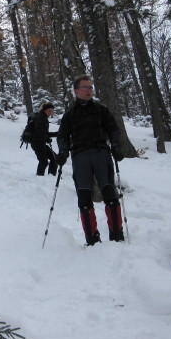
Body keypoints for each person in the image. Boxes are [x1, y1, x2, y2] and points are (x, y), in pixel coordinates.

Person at [55, 74, 125, 245]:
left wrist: (116, 146)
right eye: (85, 88)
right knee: (84, 196)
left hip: (101, 153)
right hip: (80, 156)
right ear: (76, 91)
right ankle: (92, 239)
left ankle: (117, 236)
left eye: (91, 87)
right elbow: (62, 136)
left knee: (110, 193)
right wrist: (63, 152)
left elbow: (114, 130)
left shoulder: (101, 110)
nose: (89, 91)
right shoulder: (70, 114)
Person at [31, 102, 59, 176]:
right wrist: (48, 137)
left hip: (41, 143)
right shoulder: (40, 118)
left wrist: (49, 137)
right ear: (44, 110)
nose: (50, 112)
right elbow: (39, 132)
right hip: (37, 143)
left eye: (52, 111)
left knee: (54, 158)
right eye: (49, 110)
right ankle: (40, 177)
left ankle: (51, 176)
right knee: (44, 161)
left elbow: (44, 133)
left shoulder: (44, 118)